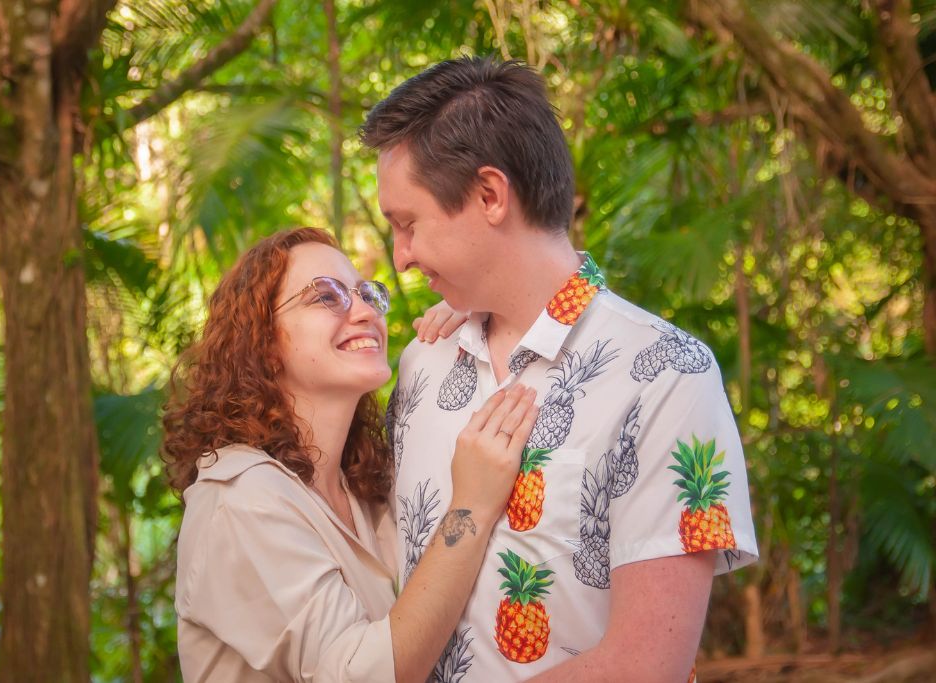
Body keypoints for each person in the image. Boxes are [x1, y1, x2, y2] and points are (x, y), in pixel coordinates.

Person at [361, 56, 759, 681]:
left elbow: (646, 665)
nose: (400, 258)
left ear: (490, 196)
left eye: (407, 224)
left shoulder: (665, 375)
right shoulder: (421, 364)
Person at [163, 227, 539, 682]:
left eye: (366, 294)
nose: (363, 311)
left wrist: (480, 319)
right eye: (326, 297)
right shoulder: (239, 500)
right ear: (263, 342)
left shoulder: (362, 487)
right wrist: (472, 508)